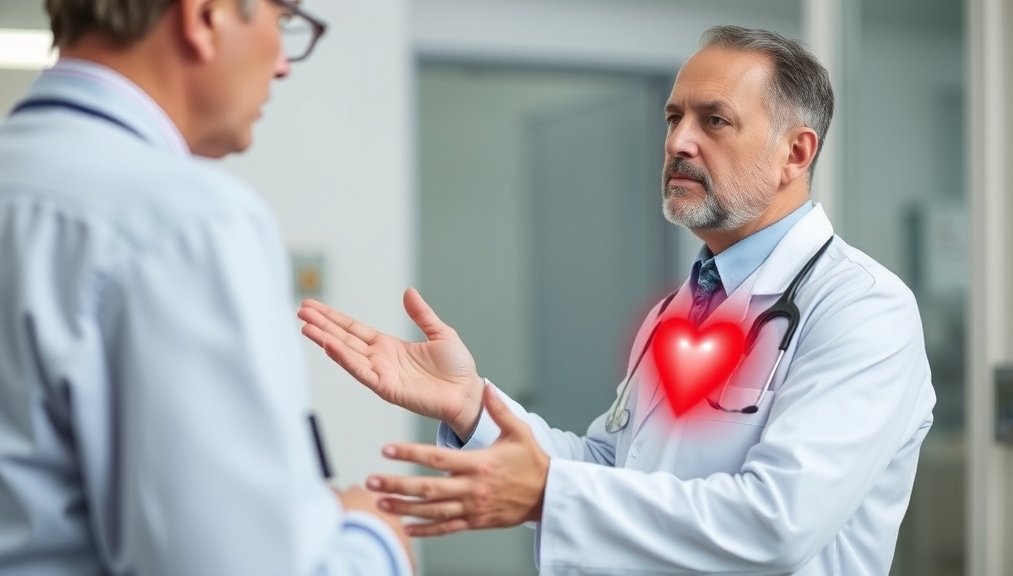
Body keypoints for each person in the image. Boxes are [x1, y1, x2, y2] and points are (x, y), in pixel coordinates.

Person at [299, 25, 936, 575]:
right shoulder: (681, 309)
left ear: (795, 153)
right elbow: (613, 464)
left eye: (713, 119)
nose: (679, 142)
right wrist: (473, 407)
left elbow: (779, 521)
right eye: (673, 117)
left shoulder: (863, 310)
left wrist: (550, 491)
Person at [0, 1, 413, 575]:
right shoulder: (186, 221)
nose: (283, 67)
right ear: (204, 17)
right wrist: (378, 537)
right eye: (283, 22)